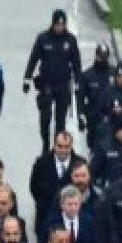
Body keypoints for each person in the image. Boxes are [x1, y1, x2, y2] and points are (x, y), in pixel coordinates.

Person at [23, 9, 83, 151]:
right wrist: (27, 78)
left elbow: (76, 64)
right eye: (57, 25)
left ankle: (57, 147)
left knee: (60, 120)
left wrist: (78, 83)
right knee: (45, 119)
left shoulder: (70, 40)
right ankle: (45, 143)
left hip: (63, 85)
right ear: (53, 24)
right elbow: (33, 59)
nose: (59, 27)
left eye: (62, 25)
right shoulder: (43, 39)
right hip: (47, 83)